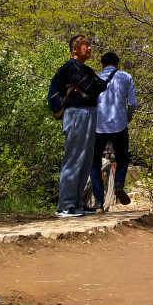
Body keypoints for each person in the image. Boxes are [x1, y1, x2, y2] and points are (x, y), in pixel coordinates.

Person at [55, 35, 106, 218]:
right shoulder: (70, 67)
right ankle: (65, 206)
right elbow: (92, 86)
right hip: (76, 113)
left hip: (90, 112)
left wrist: (93, 85)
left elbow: (101, 86)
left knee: (85, 160)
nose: (89, 47)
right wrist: (92, 85)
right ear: (74, 49)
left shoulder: (86, 68)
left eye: (90, 45)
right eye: (85, 45)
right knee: (73, 158)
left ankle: (77, 203)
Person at [90, 51, 138, 211]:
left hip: (99, 126)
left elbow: (91, 102)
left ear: (102, 65)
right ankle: (118, 184)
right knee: (123, 157)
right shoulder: (126, 77)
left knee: (95, 163)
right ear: (118, 64)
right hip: (119, 125)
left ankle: (98, 203)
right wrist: (128, 116)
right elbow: (132, 102)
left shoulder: (95, 78)